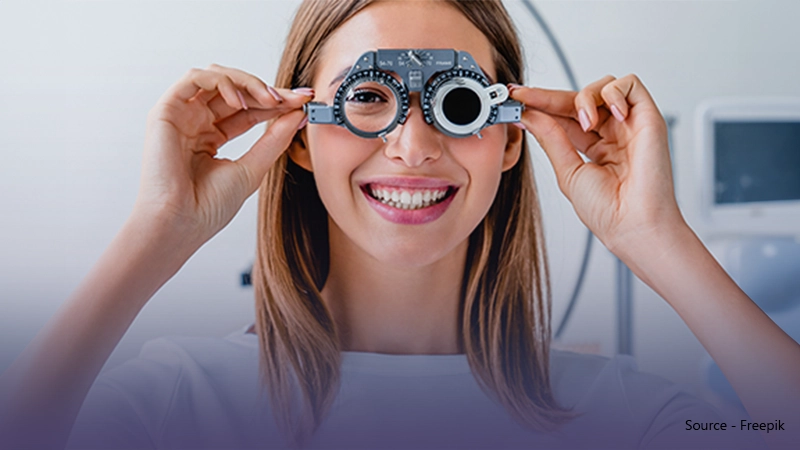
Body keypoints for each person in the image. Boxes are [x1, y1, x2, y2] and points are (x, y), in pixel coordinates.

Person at [1, 0, 798, 449]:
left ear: (510, 136)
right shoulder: (180, 400)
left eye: (455, 104)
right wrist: (157, 232)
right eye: (367, 98)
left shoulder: (620, 413)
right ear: (302, 135)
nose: (412, 146)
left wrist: (656, 239)